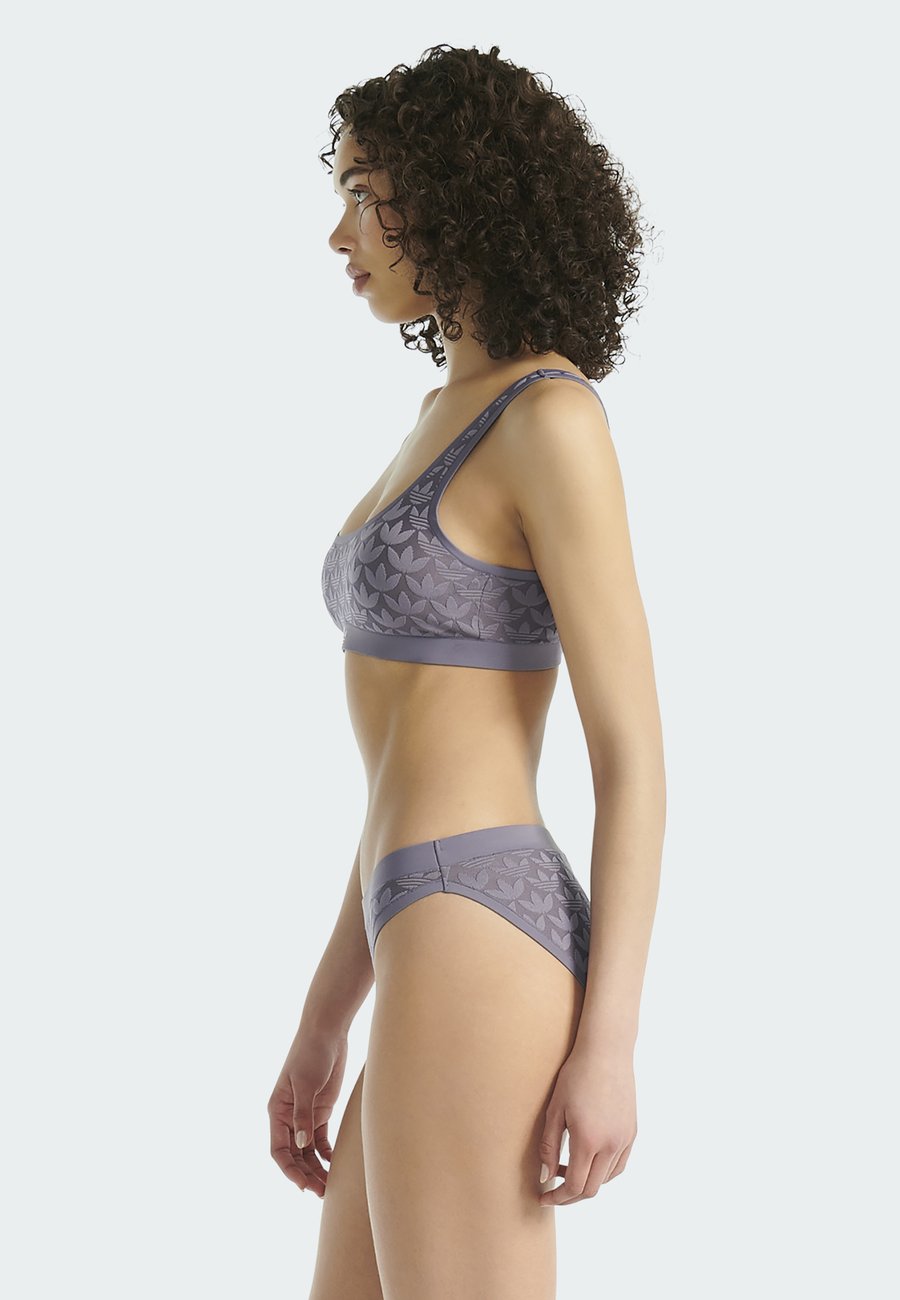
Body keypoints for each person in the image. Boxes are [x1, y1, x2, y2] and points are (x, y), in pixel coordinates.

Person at [268, 43, 666, 1300]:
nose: (340, 233)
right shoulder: (441, 415)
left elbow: (633, 757)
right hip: (409, 915)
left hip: (478, 923)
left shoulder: (551, 419)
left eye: (362, 191)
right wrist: (324, 1015)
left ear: (454, 191)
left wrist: (610, 1046)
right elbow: (402, 772)